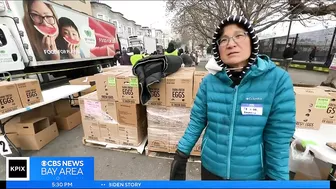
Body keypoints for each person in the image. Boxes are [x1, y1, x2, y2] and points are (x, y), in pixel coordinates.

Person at [170, 15, 296, 181]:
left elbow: (279, 138)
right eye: (223, 40)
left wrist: (277, 179)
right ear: (218, 49)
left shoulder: (278, 80)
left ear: (252, 41)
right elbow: (197, 121)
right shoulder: (209, 81)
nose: (230, 44)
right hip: (211, 168)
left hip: (251, 174)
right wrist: (181, 154)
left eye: (239, 35)